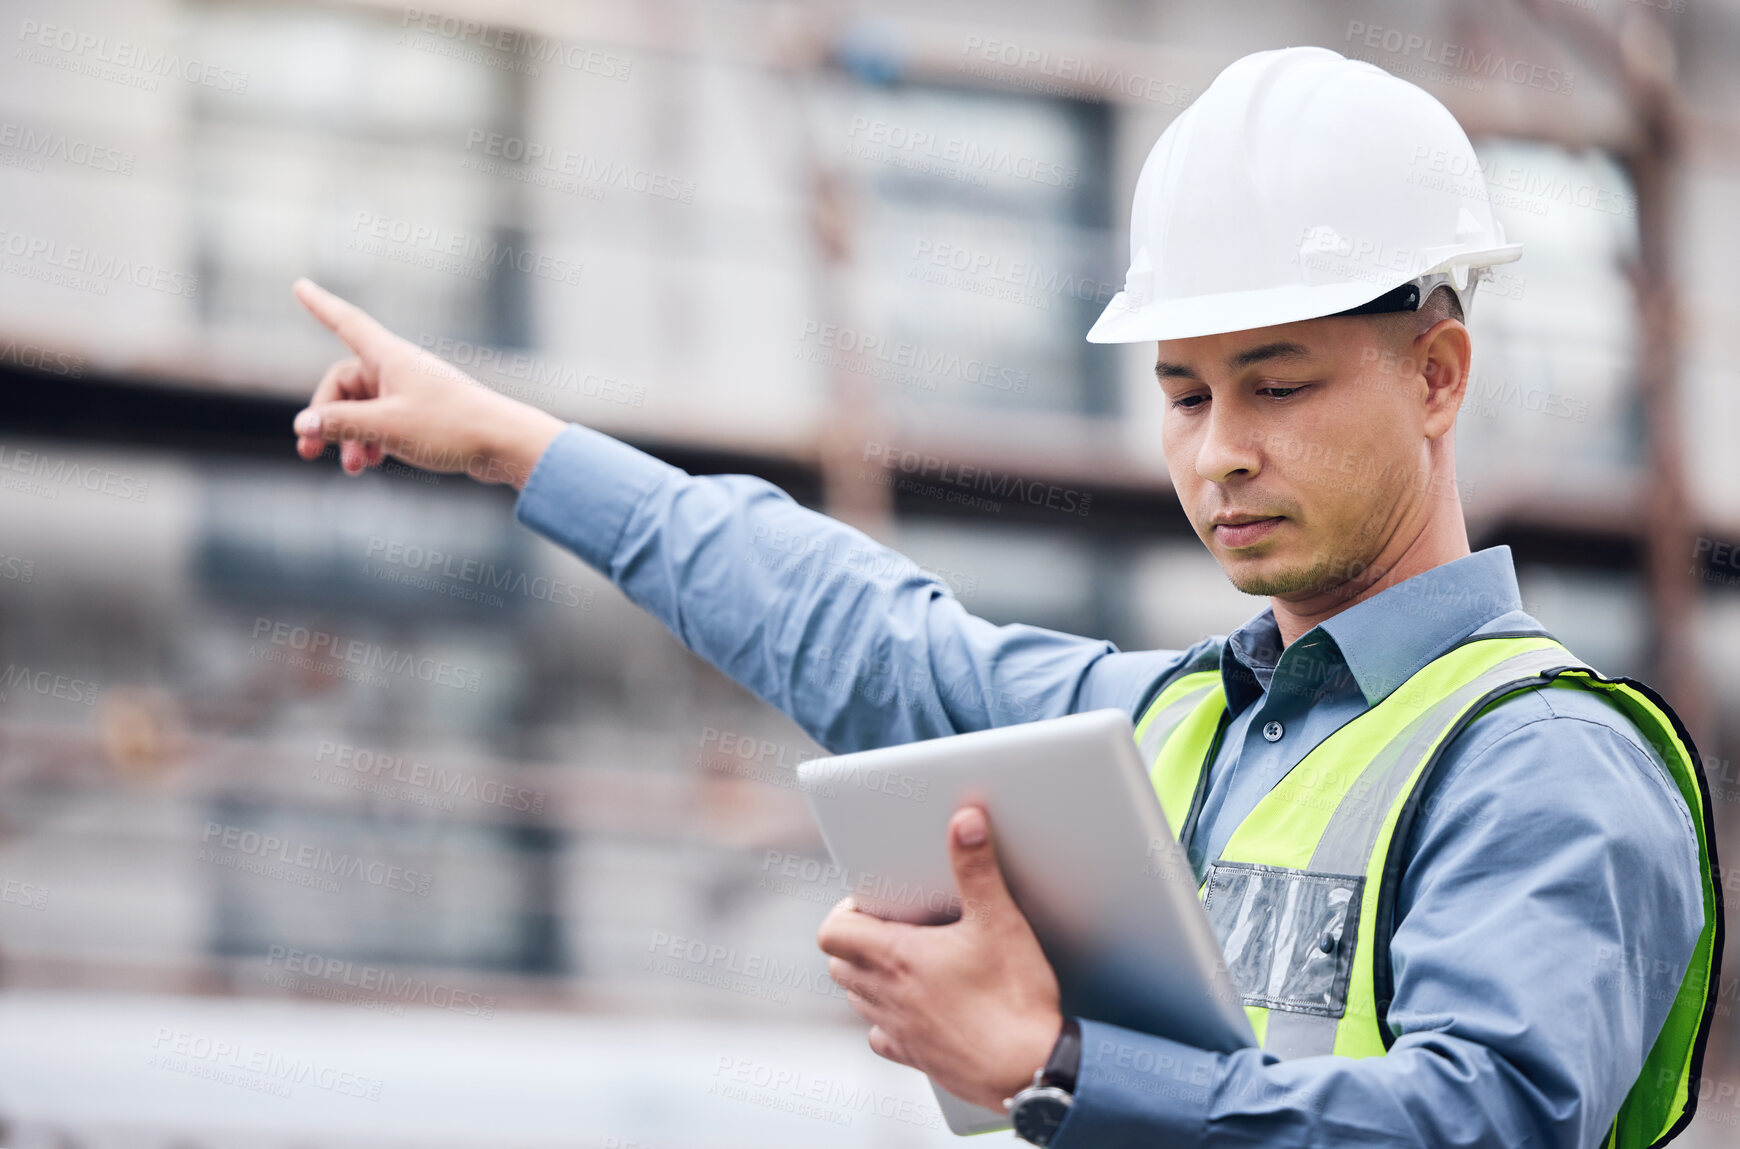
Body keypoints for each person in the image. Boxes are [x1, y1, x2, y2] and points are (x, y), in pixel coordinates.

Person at [289, 45, 1719, 1149]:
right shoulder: (1166, 728)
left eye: (1278, 385)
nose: (1220, 447)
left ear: (1438, 375)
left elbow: (1481, 1128)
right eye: (1182, 393)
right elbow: (848, 623)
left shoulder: (1548, 764)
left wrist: (1056, 1064)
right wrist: (512, 442)